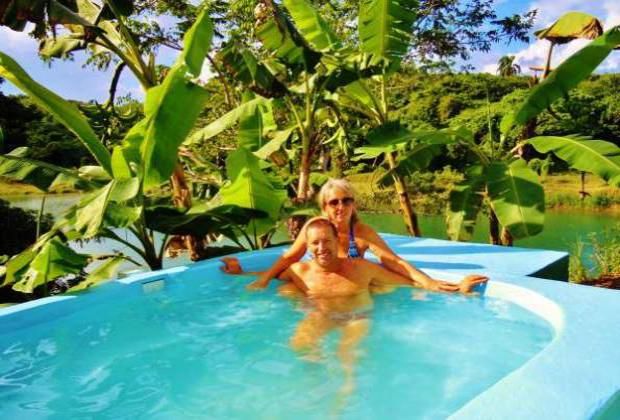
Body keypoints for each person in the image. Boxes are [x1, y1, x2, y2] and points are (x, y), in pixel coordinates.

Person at [256, 217, 487, 400]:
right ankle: (313, 391)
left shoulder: (361, 268)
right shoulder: (299, 271)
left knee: (347, 362)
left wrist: (458, 288)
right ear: (308, 246)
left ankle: (342, 406)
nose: (321, 247)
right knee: (299, 345)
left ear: (337, 241)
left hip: (356, 317)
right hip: (321, 315)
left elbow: (410, 283)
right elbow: (267, 276)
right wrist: (240, 272)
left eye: (327, 241)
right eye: (315, 243)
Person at [244, 178, 465, 292]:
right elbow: (290, 258)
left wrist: (429, 282)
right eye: (334, 202)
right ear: (324, 207)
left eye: (346, 200)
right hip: (320, 287)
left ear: (353, 204)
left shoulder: (361, 232)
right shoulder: (315, 227)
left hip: (351, 289)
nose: (341, 207)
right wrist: (260, 278)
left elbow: (393, 262)